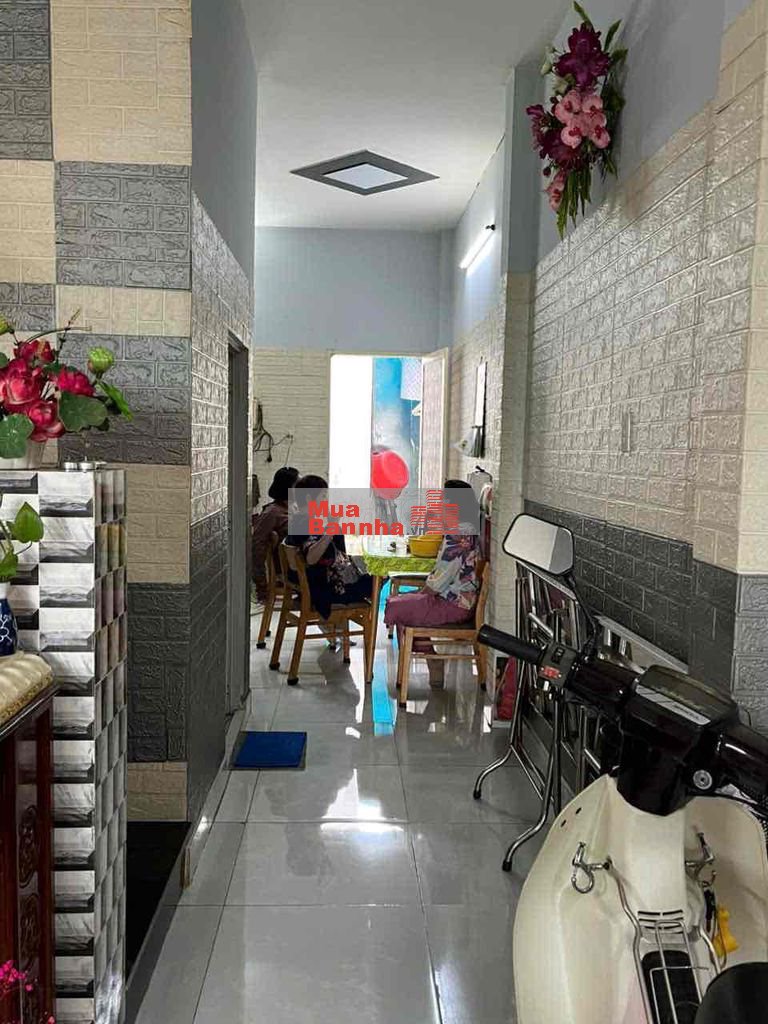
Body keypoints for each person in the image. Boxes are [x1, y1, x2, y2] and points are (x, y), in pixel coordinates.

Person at [384, 479, 481, 688]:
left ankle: (432, 661)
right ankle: (432, 661)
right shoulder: (464, 529)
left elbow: (440, 580)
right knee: (401, 605)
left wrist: (420, 595)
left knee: (398, 607)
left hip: (454, 604)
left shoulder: (459, 534)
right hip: (453, 600)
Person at [285, 474, 373, 618]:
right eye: (323, 497)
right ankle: (356, 625)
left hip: (324, 582)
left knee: (371, 574)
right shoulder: (303, 524)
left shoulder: (302, 521)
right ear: (309, 498)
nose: (326, 501)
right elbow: (311, 558)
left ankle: (337, 626)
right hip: (326, 589)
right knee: (379, 578)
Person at [251, 466, 300, 601]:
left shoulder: (293, 509)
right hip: (292, 569)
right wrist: (261, 583)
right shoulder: (272, 513)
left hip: (305, 561)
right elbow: (257, 545)